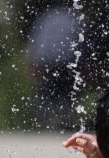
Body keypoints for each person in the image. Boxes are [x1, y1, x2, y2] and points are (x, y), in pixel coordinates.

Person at [26, 1, 81, 130]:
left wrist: (32, 63)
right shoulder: (72, 19)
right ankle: (63, 122)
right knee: (65, 94)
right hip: (65, 64)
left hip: (47, 63)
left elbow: (36, 42)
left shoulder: (46, 18)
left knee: (47, 94)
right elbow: (79, 44)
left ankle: (45, 123)